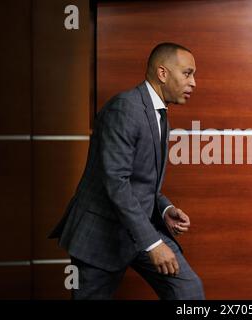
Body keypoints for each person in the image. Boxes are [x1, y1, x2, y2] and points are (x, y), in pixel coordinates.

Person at [48, 42, 204, 300]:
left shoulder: (159, 113)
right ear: (163, 73)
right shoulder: (125, 108)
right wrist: (153, 244)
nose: (194, 82)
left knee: (188, 291)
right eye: (188, 73)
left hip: (139, 227)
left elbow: (141, 180)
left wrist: (164, 208)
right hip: (102, 234)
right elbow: (116, 181)